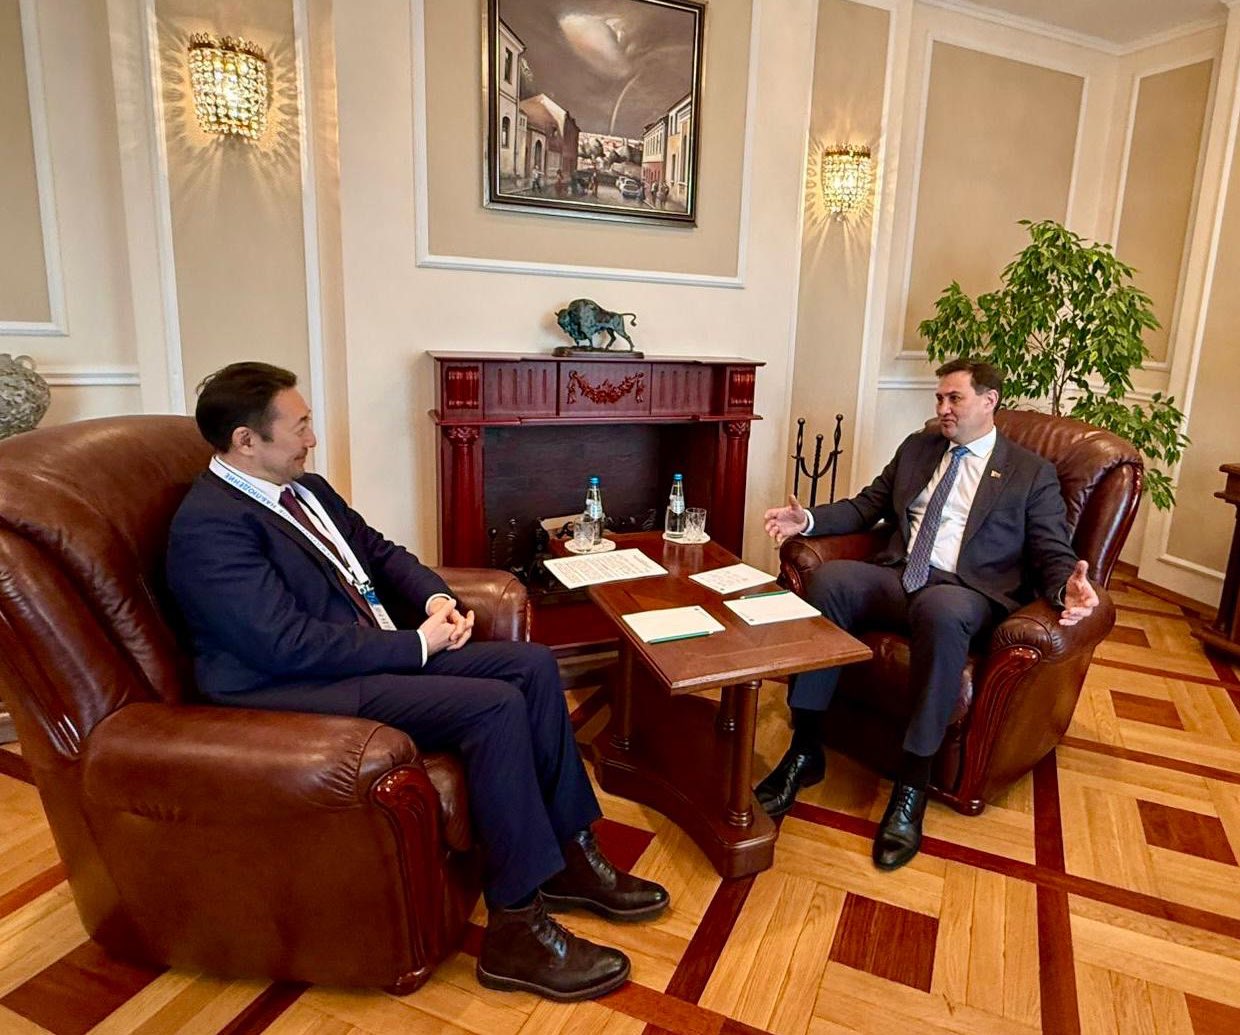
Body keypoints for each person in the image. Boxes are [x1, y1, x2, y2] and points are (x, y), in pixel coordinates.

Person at [166, 362, 668, 1002]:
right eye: (300, 426)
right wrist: (415, 645)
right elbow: (281, 644)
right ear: (245, 440)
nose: (312, 438)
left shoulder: (305, 489)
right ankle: (515, 931)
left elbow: (380, 553)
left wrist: (435, 600)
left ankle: (568, 856)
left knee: (533, 666)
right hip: (283, 687)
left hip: (362, 654)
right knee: (493, 707)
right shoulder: (210, 525)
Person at [757, 358, 1098, 870]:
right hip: (901, 576)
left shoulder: (1030, 473)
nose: (943, 408)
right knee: (829, 582)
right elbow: (866, 506)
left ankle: (911, 784)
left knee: (941, 609)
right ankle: (805, 750)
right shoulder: (919, 448)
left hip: (966, 590)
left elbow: (1051, 550)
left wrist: (1066, 588)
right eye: (939, 398)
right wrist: (806, 519)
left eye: (954, 398)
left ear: (989, 401)